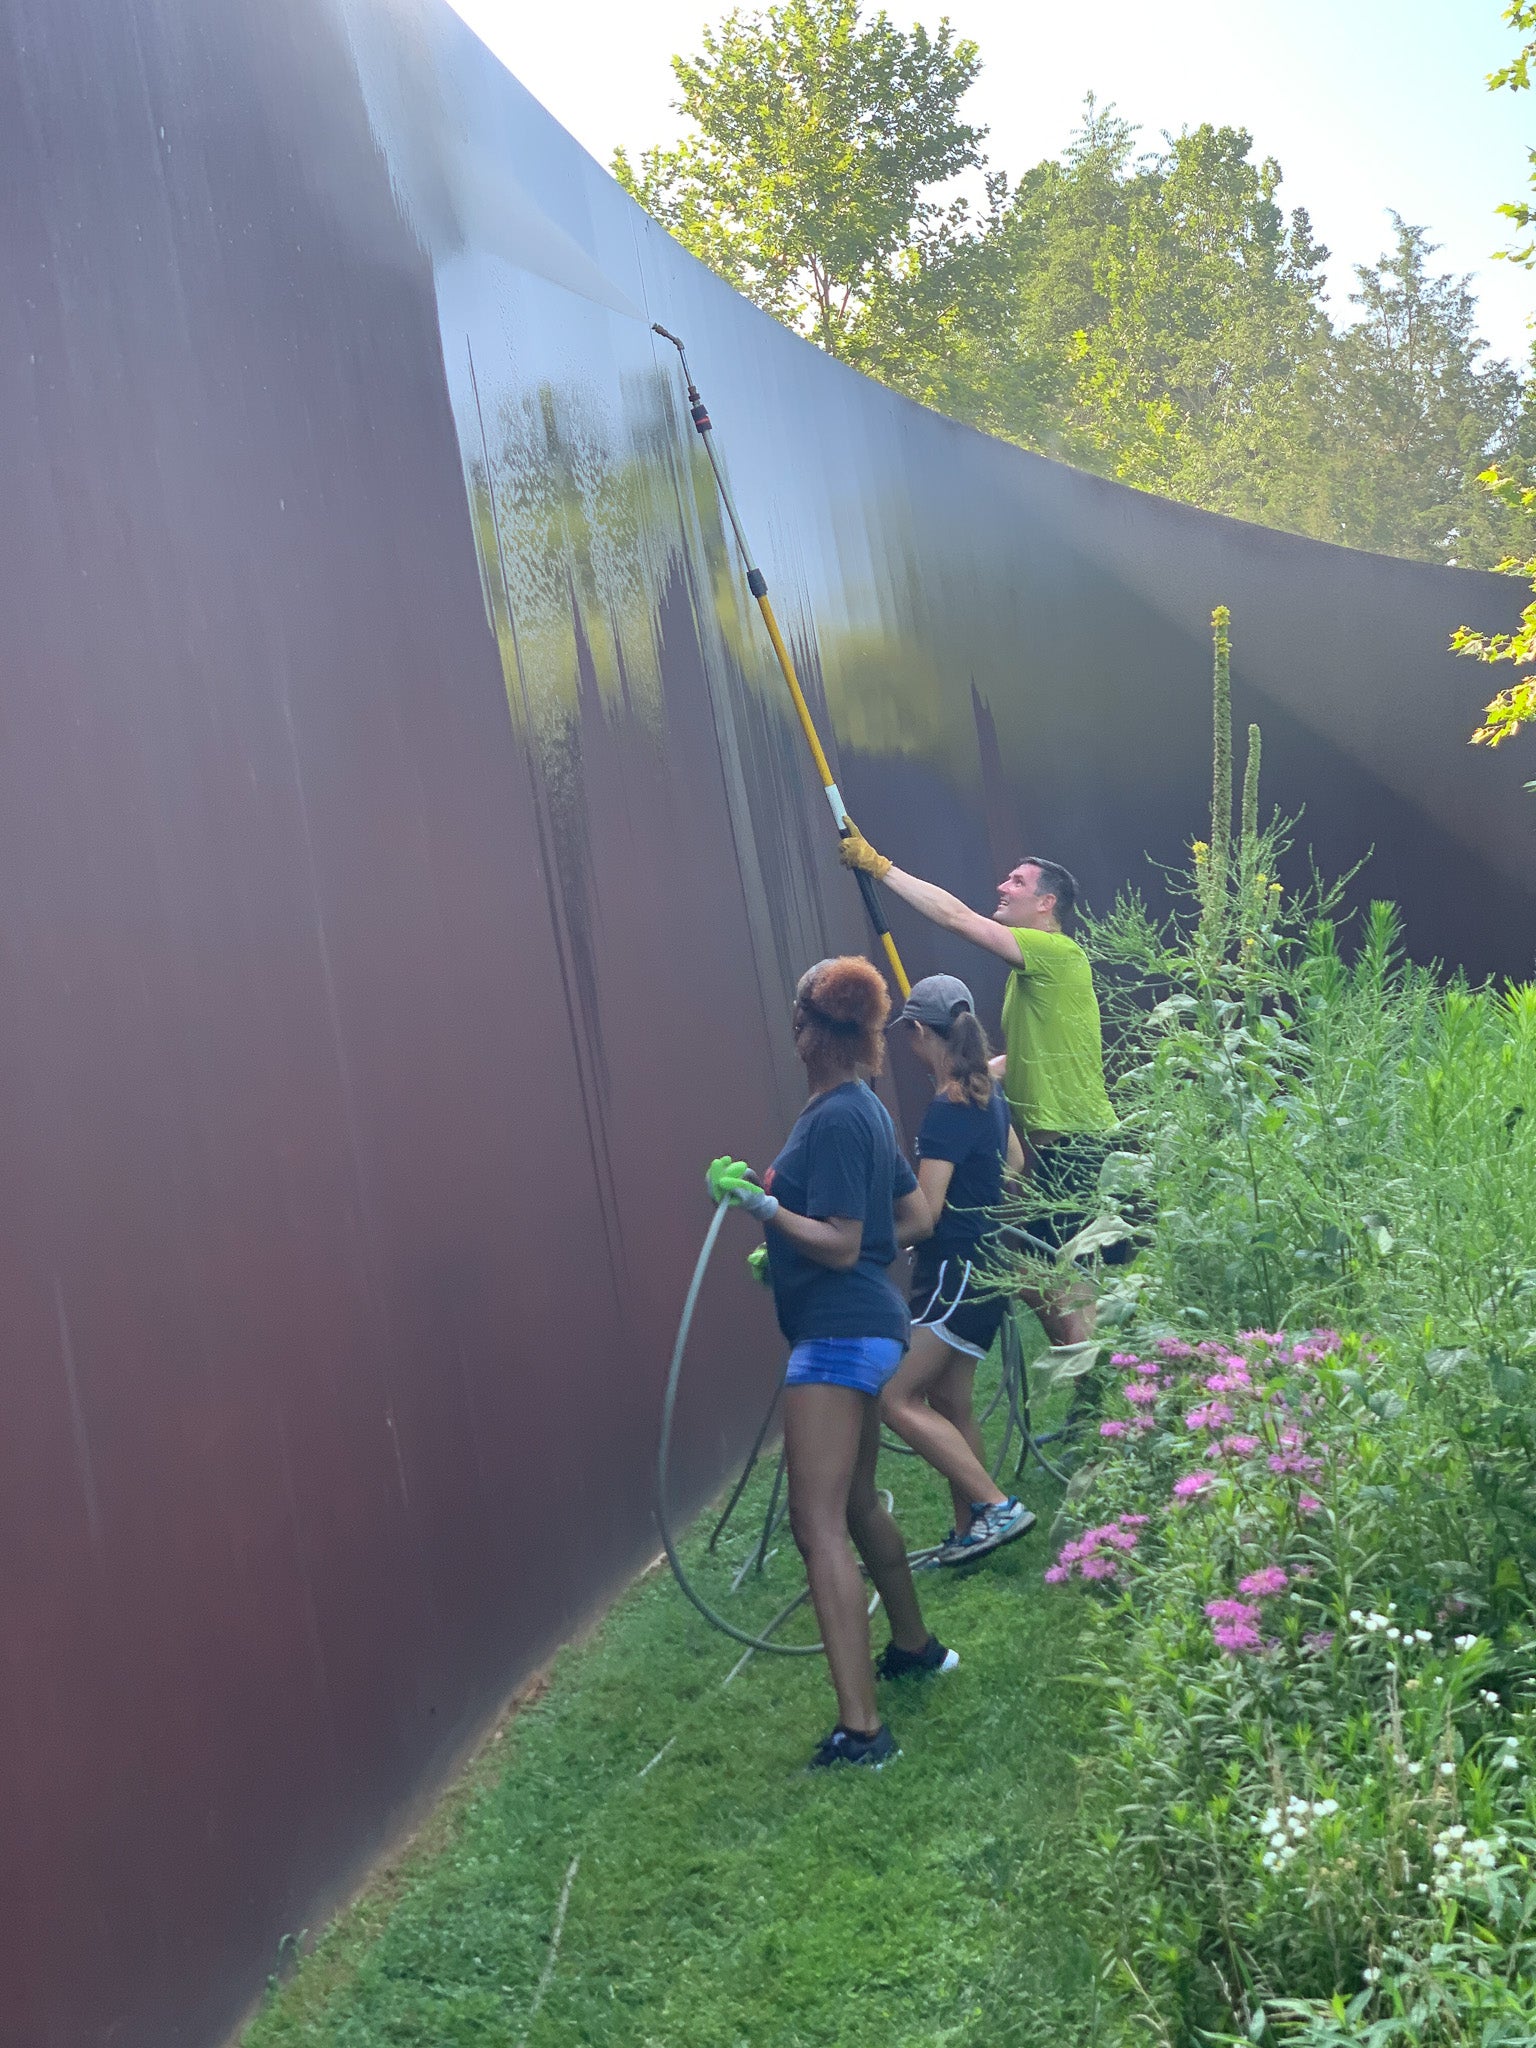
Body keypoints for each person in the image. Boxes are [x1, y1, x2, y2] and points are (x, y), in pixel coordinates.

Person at [707, 956, 956, 1772]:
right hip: (862, 1325)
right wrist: (783, 1252)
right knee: (851, 1504)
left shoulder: (837, 1120)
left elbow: (849, 1242)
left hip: (840, 1338)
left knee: (814, 1527)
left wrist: (766, 1210)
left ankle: (862, 1732)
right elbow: (911, 1219)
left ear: (810, 1032)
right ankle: (915, 1648)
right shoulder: (862, 1111)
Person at [838, 832, 1119, 1345]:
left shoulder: (1054, 953)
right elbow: (1034, 1054)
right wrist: (975, 1072)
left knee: (1065, 1281)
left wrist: (882, 868)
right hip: (1060, 1146)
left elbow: (957, 919)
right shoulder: (1033, 976)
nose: (1003, 886)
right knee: (1043, 1272)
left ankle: (1101, 1392)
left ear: (1046, 902)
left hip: (1078, 1144)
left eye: (1018, 881)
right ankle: (1095, 1382)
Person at [880, 974, 1037, 1564]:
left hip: (955, 1272)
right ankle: (970, 1528)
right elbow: (1017, 1166)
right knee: (951, 1402)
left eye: (911, 1037)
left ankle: (997, 1506)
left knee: (891, 1396)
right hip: (989, 1266)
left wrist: (865, 1242)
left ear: (920, 1030)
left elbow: (924, 1216)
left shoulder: (946, 1108)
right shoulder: (986, 1096)